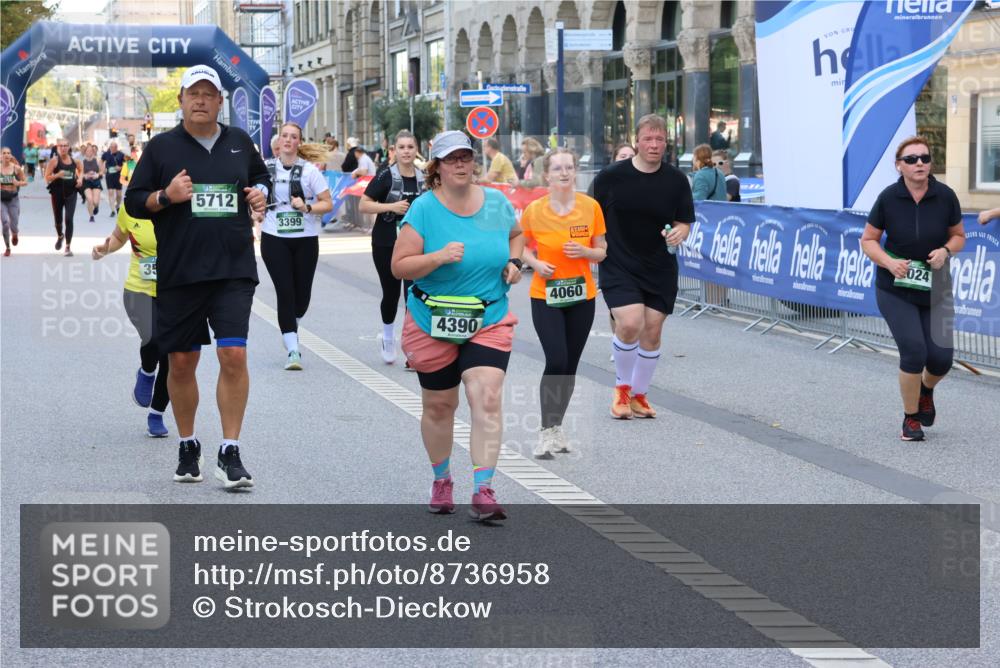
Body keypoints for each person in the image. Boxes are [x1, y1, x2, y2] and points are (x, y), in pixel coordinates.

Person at [124, 64, 270, 488]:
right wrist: (164, 196)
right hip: (180, 272)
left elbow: (260, 179)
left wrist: (262, 194)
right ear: (182, 101)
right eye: (194, 94)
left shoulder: (240, 142)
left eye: (209, 93)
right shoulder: (161, 148)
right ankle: (188, 443)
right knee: (183, 361)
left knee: (233, 355)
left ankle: (230, 450)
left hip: (233, 269)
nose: (201, 100)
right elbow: (135, 201)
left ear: (220, 101)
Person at [391, 130, 524, 521]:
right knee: (439, 405)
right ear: (437, 167)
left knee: (485, 396)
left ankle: (483, 489)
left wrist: (514, 264)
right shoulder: (424, 210)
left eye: (466, 157)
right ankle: (442, 479)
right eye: (452, 159)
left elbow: (516, 238)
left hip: (488, 316)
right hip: (433, 318)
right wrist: (437, 258)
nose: (461, 164)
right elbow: (399, 266)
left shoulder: (497, 203)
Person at [861, 136, 965, 442]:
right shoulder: (888, 198)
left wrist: (946, 250)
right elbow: (868, 240)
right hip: (896, 287)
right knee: (914, 351)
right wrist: (889, 263)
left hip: (937, 288)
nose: (919, 163)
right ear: (899, 166)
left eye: (924, 158)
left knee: (941, 359)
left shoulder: (945, 196)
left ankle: (925, 390)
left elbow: (959, 236)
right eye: (911, 159)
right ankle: (910, 419)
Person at [592, 114, 693, 419]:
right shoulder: (610, 177)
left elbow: (684, 221)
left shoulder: (676, 180)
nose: (653, 144)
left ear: (666, 143)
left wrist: (680, 232)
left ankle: (640, 395)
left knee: (652, 330)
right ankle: (622, 391)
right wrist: (596, 245)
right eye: (647, 138)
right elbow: (589, 214)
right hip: (619, 262)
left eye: (659, 139)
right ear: (637, 141)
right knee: (630, 323)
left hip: (659, 265)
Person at [521, 148, 607, 457]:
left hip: (581, 296)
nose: (564, 172)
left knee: (569, 366)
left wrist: (585, 254)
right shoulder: (535, 210)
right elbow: (518, 246)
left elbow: (602, 251)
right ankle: (545, 431)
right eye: (558, 168)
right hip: (546, 295)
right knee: (556, 359)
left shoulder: (590, 207)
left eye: (569, 167)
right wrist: (536, 263)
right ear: (546, 175)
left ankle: (556, 427)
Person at [91, 205, 172, 437]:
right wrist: (105, 249)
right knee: (154, 338)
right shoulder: (132, 207)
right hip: (139, 290)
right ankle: (147, 371)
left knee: (172, 355)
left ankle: (157, 413)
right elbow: (119, 236)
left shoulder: (180, 205)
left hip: (175, 291)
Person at [259, 122, 333, 370]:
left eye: (293, 137)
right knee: (285, 291)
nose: (288, 140)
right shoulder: (265, 169)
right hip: (273, 237)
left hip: (305, 238)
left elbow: (328, 203)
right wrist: (255, 210)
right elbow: (253, 196)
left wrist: (307, 207)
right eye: (284, 136)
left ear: (299, 142)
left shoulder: (310, 172)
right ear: (278, 142)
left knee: (302, 297)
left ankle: (291, 323)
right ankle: (293, 349)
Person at [360, 130, 424, 364]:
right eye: (402, 147)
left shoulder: (423, 177)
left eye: (410, 147)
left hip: (416, 245)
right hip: (386, 242)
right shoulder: (385, 175)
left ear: (417, 150)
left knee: (414, 295)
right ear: (394, 150)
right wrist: (391, 207)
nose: (406, 151)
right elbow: (364, 205)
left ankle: (411, 347)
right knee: (391, 293)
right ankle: (388, 336)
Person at [44, 138, 83, 257]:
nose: (63, 148)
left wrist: (80, 179)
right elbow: (47, 177)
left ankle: (68, 246)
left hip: (71, 193)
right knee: (58, 220)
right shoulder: (54, 161)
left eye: (66, 146)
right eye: (61, 146)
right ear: (57, 147)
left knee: (69, 219)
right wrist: (57, 175)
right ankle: (60, 235)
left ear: (69, 147)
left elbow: (81, 170)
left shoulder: (75, 161)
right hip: (57, 193)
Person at [1, 147, 28, 257]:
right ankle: (7, 247)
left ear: (11, 155)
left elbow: (25, 182)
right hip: (1, 199)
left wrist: (18, 183)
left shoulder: (16, 168)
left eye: (8, 153)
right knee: (5, 222)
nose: (7, 155)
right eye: (4, 153)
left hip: (13, 199)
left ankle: (15, 234)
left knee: (14, 224)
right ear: (1, 156)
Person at [102, 140, 127, 216]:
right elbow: (101, 161)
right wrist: (102, 169)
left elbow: (128, 164)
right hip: (109, 176)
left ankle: (117, 205)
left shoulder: (121, 154)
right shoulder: (106, 154)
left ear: (117, 147)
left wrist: (121, 167)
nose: (112, 148)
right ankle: (112, 210)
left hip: (119, 176)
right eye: (111, 147)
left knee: (119, 194)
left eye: (114, 147)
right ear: (109, 147)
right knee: (110, 192)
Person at [81, 143, 104, 223]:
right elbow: (79, 173)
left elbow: (102, 171)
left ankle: (96, 207)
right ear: (85, 152)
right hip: (86, 182)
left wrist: (97, 175)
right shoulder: (82, 161)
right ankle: (91, 216)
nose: (89, 152)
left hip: (96, 181)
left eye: (91, 151)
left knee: (95, 201)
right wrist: (85, 176)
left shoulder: (97, 160)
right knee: (89, 199)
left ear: (93, 152)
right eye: (88, 151)